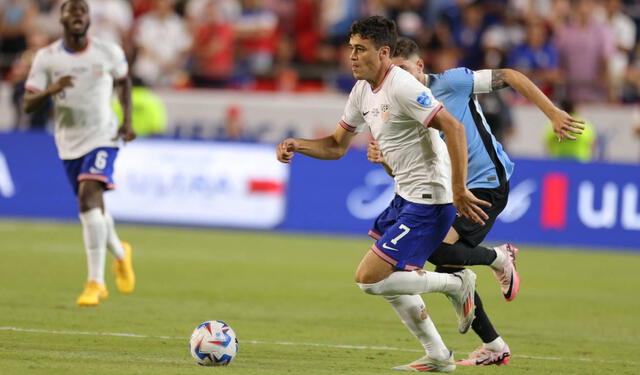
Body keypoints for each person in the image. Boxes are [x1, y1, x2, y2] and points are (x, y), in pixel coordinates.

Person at [276, 16, 490, 373]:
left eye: (360, 49)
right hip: (404, 196)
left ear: (384, 52)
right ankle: (438, 355)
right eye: (350, 49)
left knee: (368, 278)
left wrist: (458, 189)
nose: (352, 57)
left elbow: (451, 126)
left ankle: (456, 283)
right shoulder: (361, 90)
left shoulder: (402, 86)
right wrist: (298, 145)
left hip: (428, 200)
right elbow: (336, 145)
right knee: (389, 283)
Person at [367, 36, 585, 366]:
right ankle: (495, 346)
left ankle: (499, 257)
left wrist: (552, 112)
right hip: (449, 191)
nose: (399, 78)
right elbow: (405, 173)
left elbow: (510, 76)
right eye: (392, 72)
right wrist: (383, 158)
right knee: (450, 268)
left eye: (404, 69)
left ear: (420, 66)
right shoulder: (403, 108)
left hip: (486, 182)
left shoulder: (453, 82)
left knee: (439, 253)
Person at [23, 0, 136, 307]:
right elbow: (27, 103)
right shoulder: (47, 58)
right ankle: (122, 253)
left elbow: (124, 83)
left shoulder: (108, 51)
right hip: (68, 141)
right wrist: (50, 90)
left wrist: (127, 122)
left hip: (104, 135)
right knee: (94, 206)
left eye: (82, 13)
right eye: (71, 12)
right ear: (61, 19)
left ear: (88, 19)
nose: (77, 17)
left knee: (88, 198)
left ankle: (95, 282)